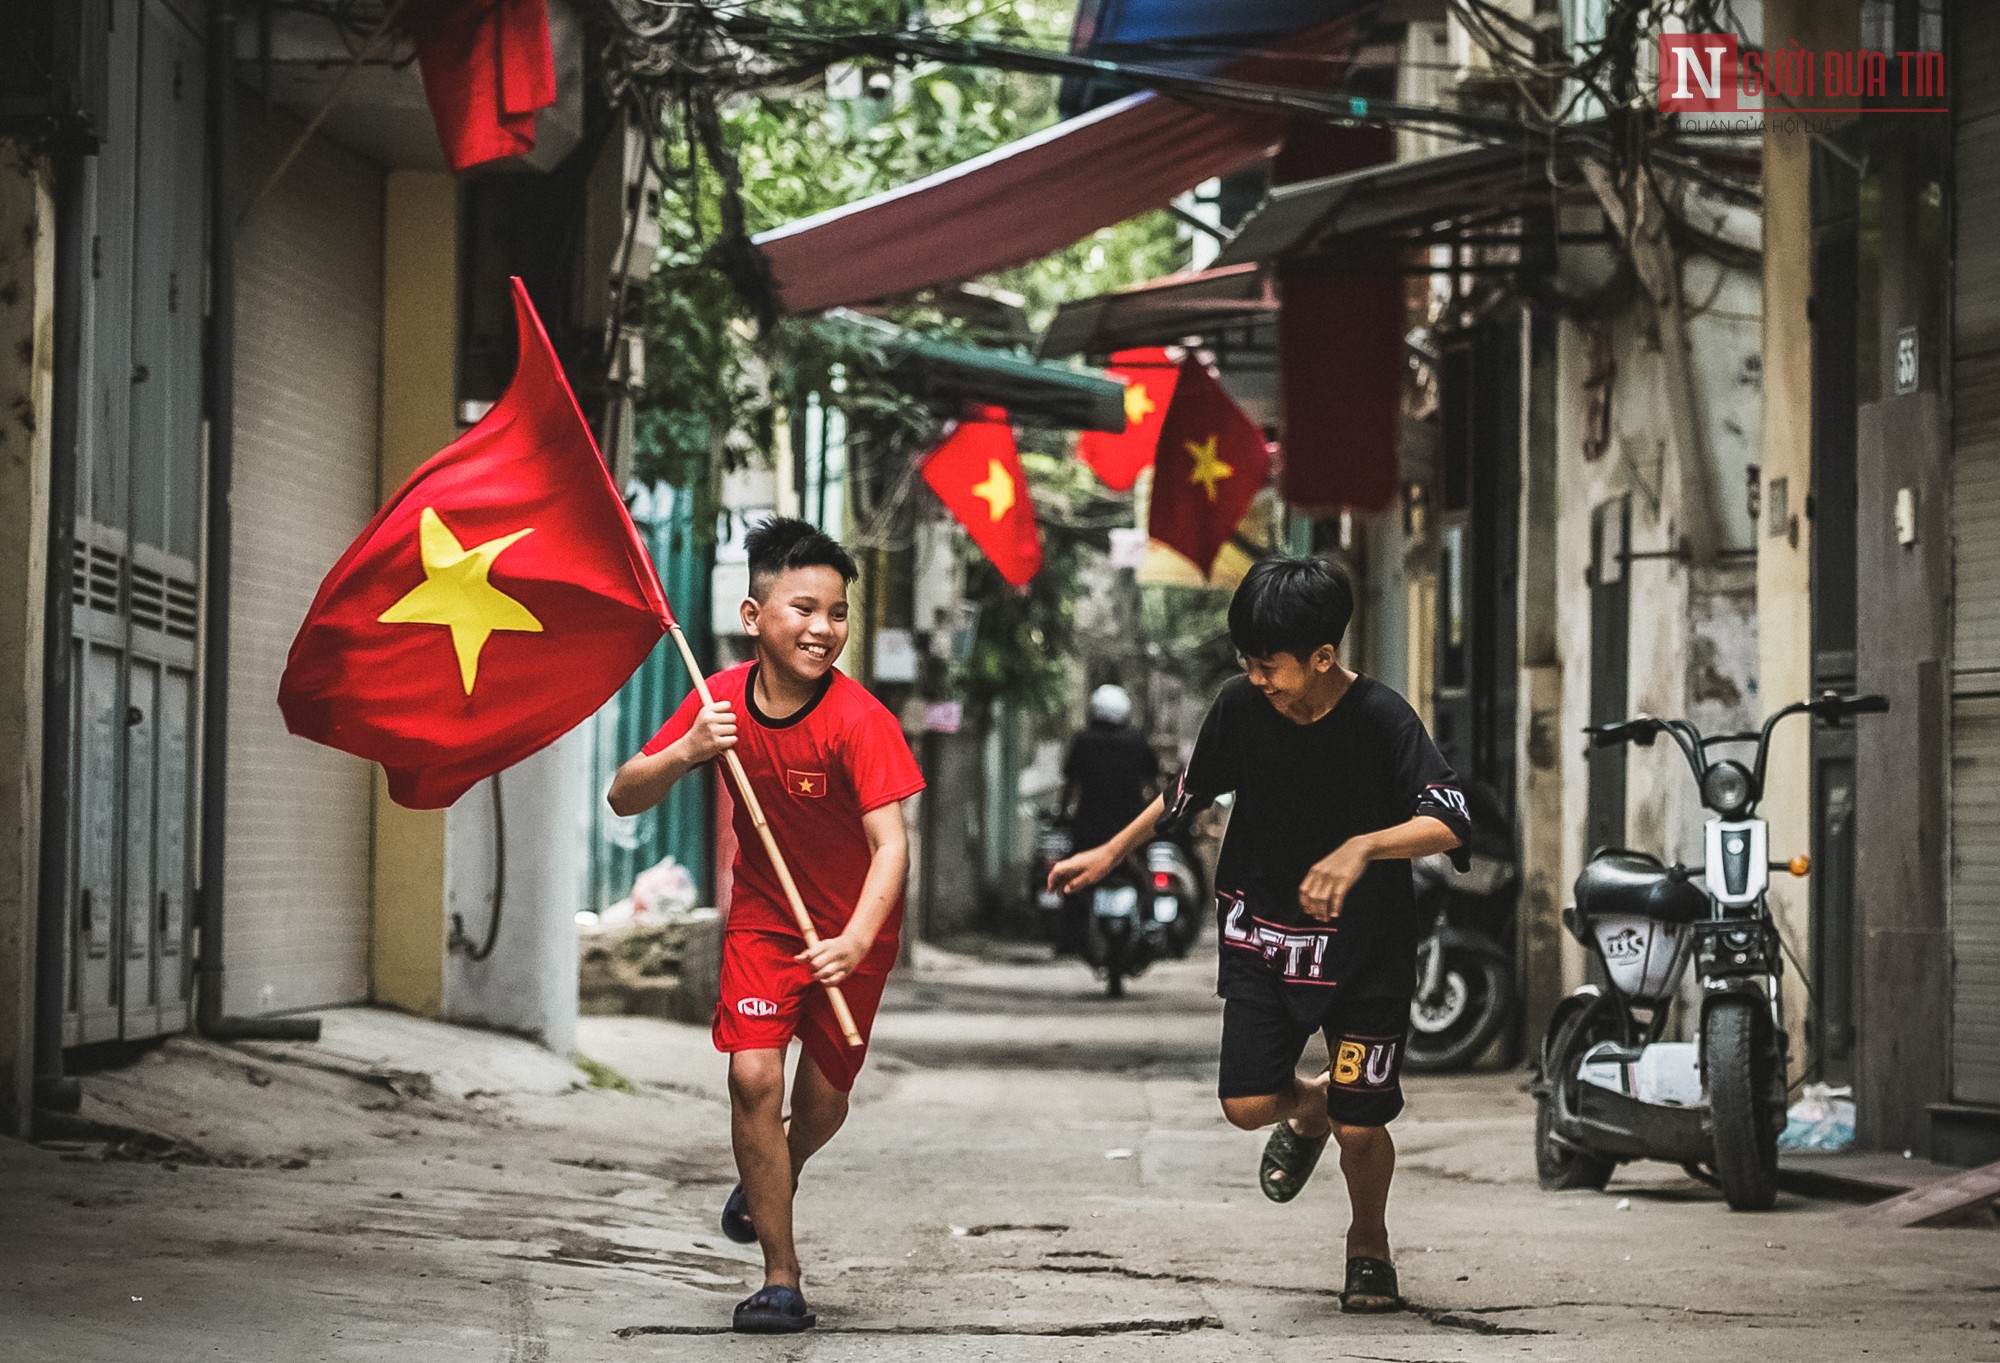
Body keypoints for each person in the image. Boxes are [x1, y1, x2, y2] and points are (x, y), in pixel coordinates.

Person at [1048, 556, 1470, 1315]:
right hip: (1263, 931)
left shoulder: (1381, 717)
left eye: (1268, 664)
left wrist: (1364, 846)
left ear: (1322, 656)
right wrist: (1110, 851)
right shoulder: (1240, 707)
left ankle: (1367, 1243)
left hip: (1367, 946)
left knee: (1362, 1120)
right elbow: (1187, 791)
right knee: (1245, 1103)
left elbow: (1449, 819)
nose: (1256, 677)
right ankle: (1308, 1103)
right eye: (1246, 661)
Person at [608, 517, 924, 1335]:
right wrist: (684, 752)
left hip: (854, 933)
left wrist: (856, 937)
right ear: (754, 616)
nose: (824, 629)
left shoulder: (861, 721)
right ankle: (780, 1277)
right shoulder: (713, 700)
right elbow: (623, 792)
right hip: (764, 922)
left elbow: (893, 847)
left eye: (838, 613)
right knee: (752, 1080)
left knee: (821, 1104)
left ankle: (769, 1172)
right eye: (804, 608)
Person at [1053, 684, 1158, 955]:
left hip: (1090, 828)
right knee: (1145, 876)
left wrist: (1063, 815)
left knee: (1072, 879)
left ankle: (1070, 939)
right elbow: (1153, 787)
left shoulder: (1083, 741)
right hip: (1131, 830)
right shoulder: (1137, 741)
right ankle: (1153, 924)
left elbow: (1070, 786)